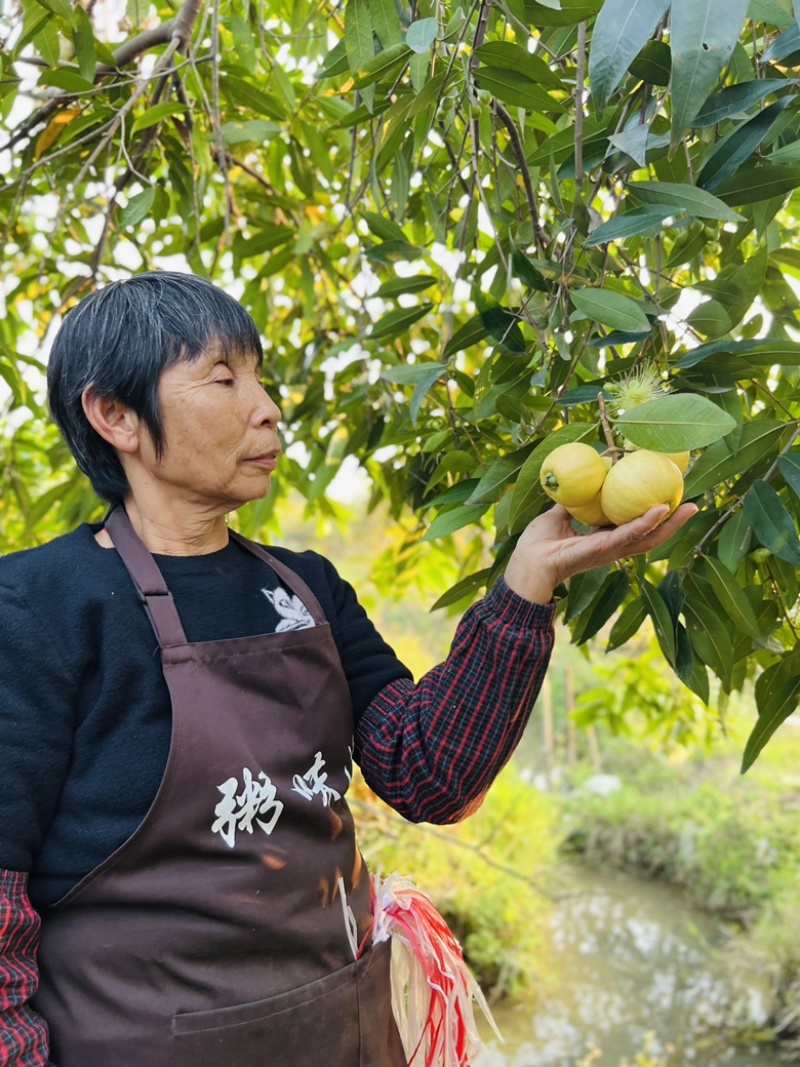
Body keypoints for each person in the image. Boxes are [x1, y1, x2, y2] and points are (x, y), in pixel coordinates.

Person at [0, 271, 696, 1067]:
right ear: (114, 414)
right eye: (225, 378)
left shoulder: (305, 587)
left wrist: (527, 585)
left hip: (344, 1035)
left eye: (261, 376)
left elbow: (427, 771)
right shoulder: (36, 608)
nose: (267, 406)